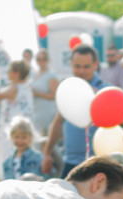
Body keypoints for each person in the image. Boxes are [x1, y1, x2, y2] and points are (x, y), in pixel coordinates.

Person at [41, 44, 109, 178]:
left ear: (96, 65)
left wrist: (98, 100)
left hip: (98, 163)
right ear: (71, 64)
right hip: (70, 162)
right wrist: (47, 153)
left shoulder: (105, 90)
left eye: (86, 67)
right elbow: (59, 121)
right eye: (77, 66)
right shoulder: (69, 90)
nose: (81, 71)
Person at [0, 60, 34, 124]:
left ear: (17, 73)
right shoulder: (25, 87)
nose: (8, 72)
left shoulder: (15, 88)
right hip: (21, 123)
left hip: (14, 124)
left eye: (10, 70)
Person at [1, 116, 43, 180]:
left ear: (30, 137)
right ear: (11, 137)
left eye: (24, 137)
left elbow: (44, 177)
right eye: (17, 137)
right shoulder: (7, 162)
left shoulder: (38, 158)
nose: (20, 141)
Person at [30, 49, 59, 136]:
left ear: (48, 60)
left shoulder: (51, 75)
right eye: (39, 59)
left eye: (44, 59)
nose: (41, 61)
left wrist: (38, 93)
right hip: (36, 109)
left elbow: (54, 95)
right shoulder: (35, 74)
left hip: (47, 110)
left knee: (44, 136)